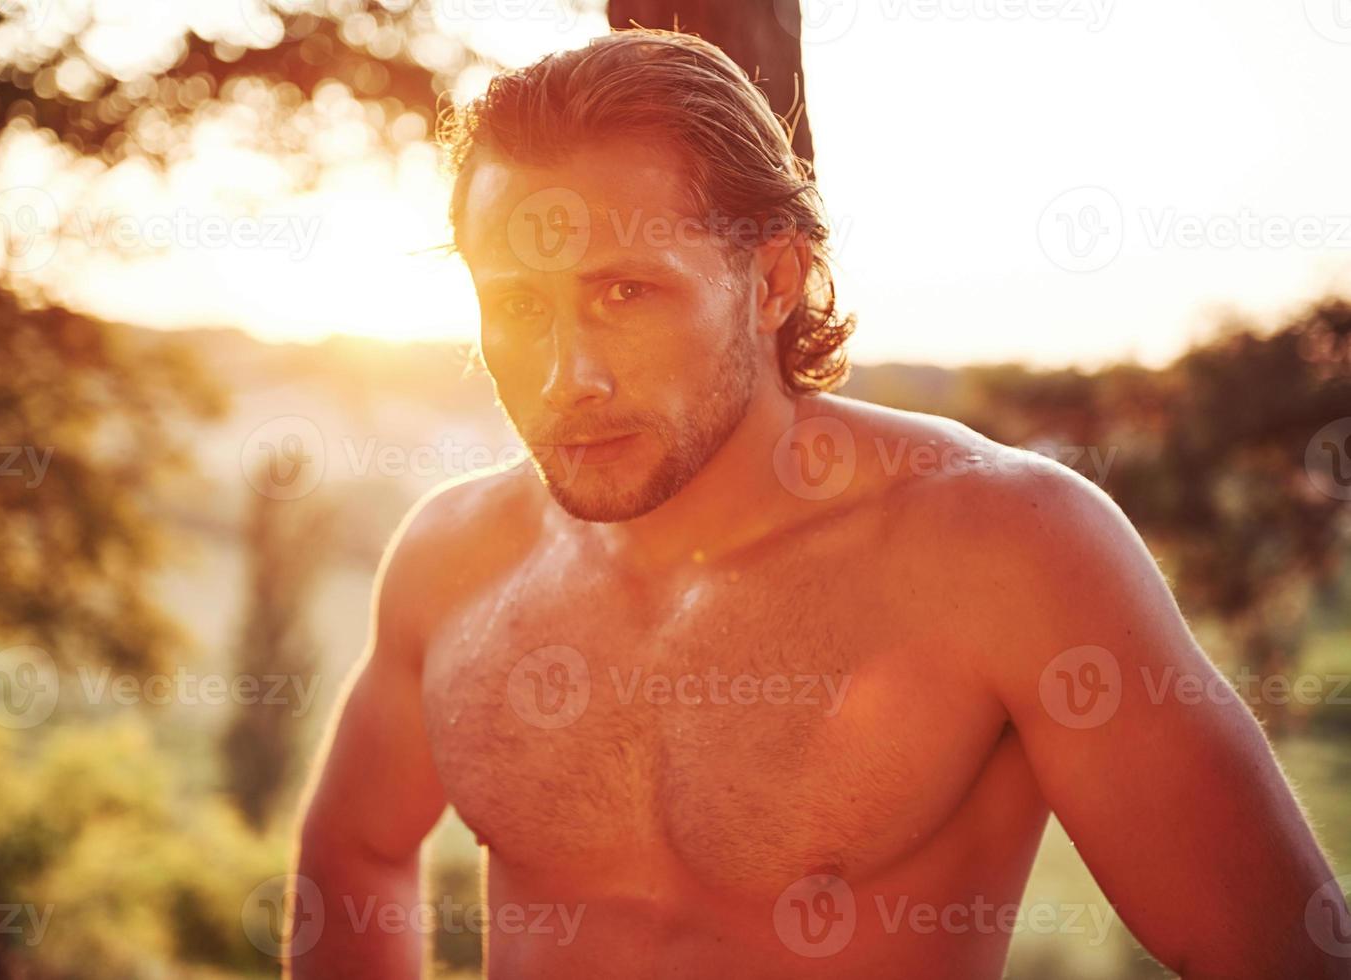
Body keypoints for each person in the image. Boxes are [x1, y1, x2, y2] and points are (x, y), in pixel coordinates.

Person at [290, 28, 1350, 979]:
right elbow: (356, 853)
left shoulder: (1011, 549)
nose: (569, 375)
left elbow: (1277, 949)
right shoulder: (450, 556)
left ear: (771, 281)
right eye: (518, 304)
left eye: (626, 291)